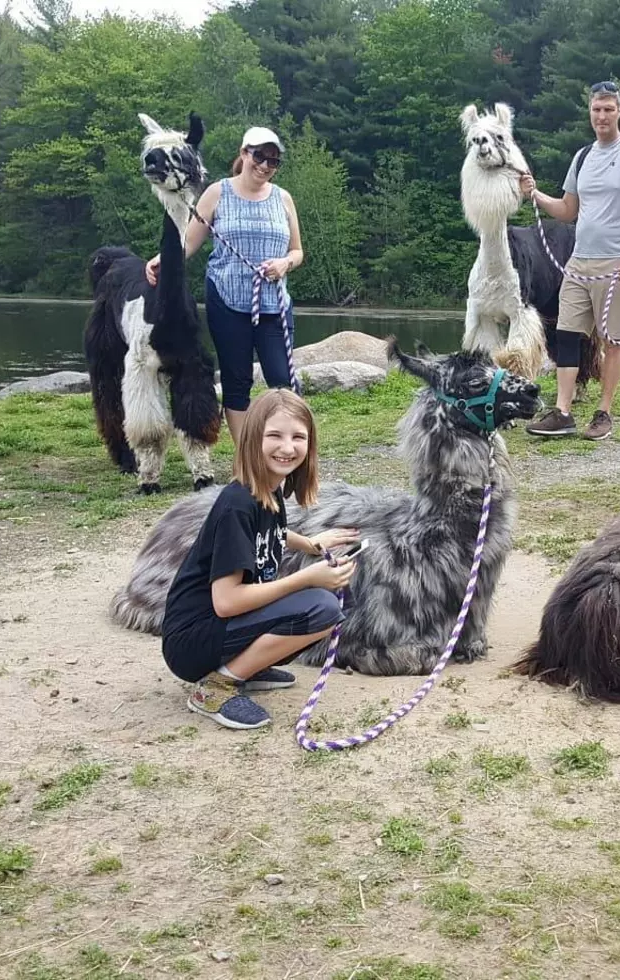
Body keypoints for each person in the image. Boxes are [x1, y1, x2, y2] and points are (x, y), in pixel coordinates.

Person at [161, 388, 359, 730]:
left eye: (298, 437)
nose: (287, 447)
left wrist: (310, 544)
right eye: (275, 436)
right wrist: (308, 577)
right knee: (321, 607)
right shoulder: (238, 504)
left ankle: (243, 667)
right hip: (192, 640)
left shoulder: (268, 490)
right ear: (253, 438)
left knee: (330, 603)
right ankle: (216, 687)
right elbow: (226, 602)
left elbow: (270, 533)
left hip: (216, 630)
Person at [146, 126, 305, 449]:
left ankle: (282, 450)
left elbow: (297, 251)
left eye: (273, 161)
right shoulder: (218, 193)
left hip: (273, 303)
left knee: (283, 384)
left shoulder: (283, 198)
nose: (265, 166)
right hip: (228, 301)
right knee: (237, 383)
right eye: (259, 156)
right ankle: (246, 459)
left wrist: (284, 264)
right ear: (244, 153)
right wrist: (163, 260)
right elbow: (189, 242)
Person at [521, 80, 620, 441]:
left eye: (608, 109)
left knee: (613, 340)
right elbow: (568, 210)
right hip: (579, 263)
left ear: (619, 111)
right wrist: (535, 194)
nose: (602, 116)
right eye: (596, 109)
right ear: (590, 111)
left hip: (617, 264)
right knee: (567, 335)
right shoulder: (582, 157)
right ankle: (564, 411)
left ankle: (603, 412)